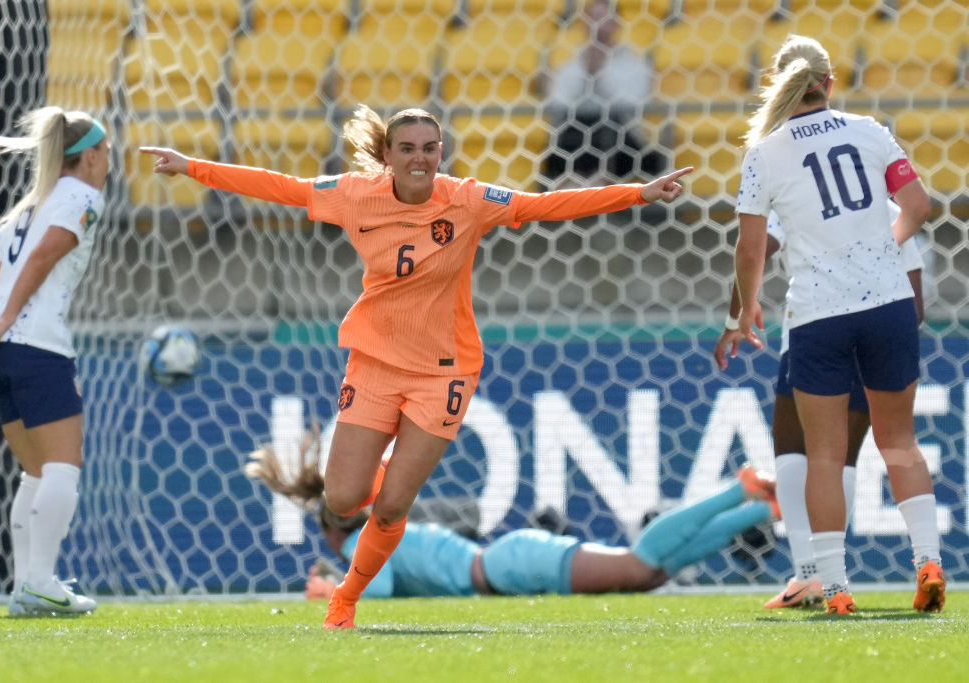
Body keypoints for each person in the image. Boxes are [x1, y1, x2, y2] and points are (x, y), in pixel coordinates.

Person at [140, 105, 693, 628]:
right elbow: (280, 186)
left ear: (441, 152)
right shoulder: (355, 195)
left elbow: (539, 204)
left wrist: (637, 194)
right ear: (387, 154)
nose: (421, 159)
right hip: (376, 363)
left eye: (430, 148)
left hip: (444, 372)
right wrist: (191, 167)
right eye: (407, 148)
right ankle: (378, 472)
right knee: (340, 499)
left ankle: (345, 599)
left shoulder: (467, 200)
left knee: (393, 507)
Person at [726, 34, 943, 614]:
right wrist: (877, 248)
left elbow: (751, 251)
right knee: (900, 441)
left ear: (780, 83)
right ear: (829, 82)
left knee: (824, 454)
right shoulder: (869, 130)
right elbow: (919, 206)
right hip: (888, 305)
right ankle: (927, 562)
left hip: (820, 313)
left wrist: (741, 310)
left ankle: (836, 588)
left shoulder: (764, 152)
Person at [714, 204, 925, 609]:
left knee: (793, 446)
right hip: (879, 338)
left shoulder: (803, 192)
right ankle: (916, 563)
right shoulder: (891, 209)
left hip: (815, 334)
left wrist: (740, 308)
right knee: (843, 457)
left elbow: (756, 250)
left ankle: (810, 574)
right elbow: (915, 305)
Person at [244, 442, 780, 600]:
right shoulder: (380, 529)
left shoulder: (365, 543)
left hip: (509, 565)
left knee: (640, 566)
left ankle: (743, 487)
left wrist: (331, 591)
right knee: (653, 574)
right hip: (507, 563)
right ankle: (759, 506)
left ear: (333, 531)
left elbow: (375, 591)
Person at [0, 106, 110, 615]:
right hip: (37, 346)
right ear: (86, 158)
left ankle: (26, 589)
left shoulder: (28, 204)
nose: (110, 160)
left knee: (34, 472)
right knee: (62, 467)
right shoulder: (84, 197)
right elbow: (43, 258)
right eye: (106, 151)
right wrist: (3, 322)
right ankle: (40, 580)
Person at [541, 0, 666, 190]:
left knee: (611, 129)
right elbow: (558, 104)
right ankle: (588, 188)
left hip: (622, 137)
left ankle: (593, 189)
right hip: (576, 137)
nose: (597, 26)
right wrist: (587, 73)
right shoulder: (571, 65)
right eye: (592, 19)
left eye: (603, 19)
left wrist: (599, 75)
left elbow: (632, 105)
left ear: (617, 23)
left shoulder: (634, 63)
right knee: (573, 132)